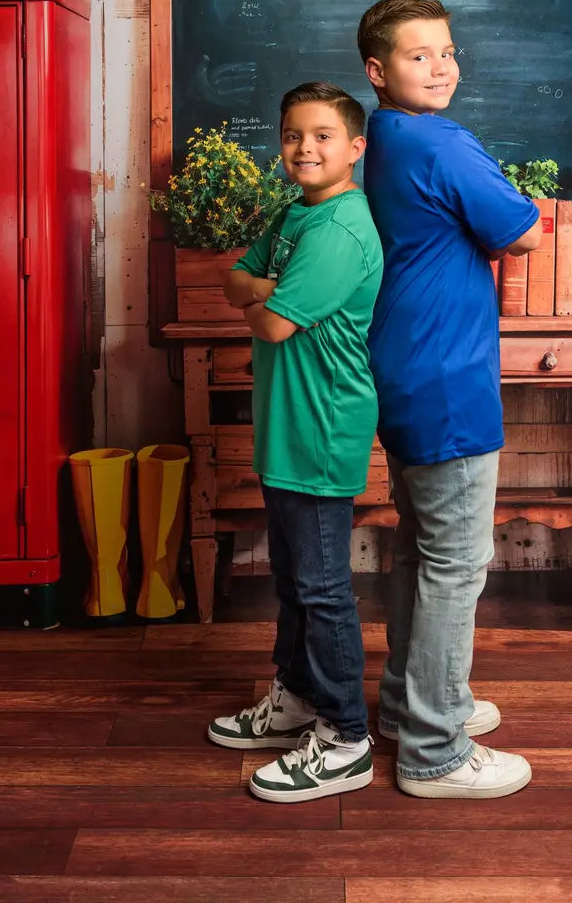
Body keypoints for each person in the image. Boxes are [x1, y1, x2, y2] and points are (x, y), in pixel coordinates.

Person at [358, 0, 543, 800]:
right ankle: (435, 749)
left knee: (422, 552)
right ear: (378, 71)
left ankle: (411, 705)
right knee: (456, 563)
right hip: (447, 376)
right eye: (418, 55)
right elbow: (522, 229)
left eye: (447, 51)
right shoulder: (440, 139)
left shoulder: (386, 138)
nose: (441, 67)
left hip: (407, 365)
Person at [207, 81, 383, 804]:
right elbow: (234, 280)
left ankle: (347, 737)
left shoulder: (340, 231)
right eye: (291, 135)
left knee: (322, 589)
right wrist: (261, 288)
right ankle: (298, 698)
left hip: (320, 428)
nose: (304, 148)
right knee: (292, 581)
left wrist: (263, 294)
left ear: (355, 147)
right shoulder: (294, 214)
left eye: (321, 136)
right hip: (286, 424)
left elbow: (273, 322)